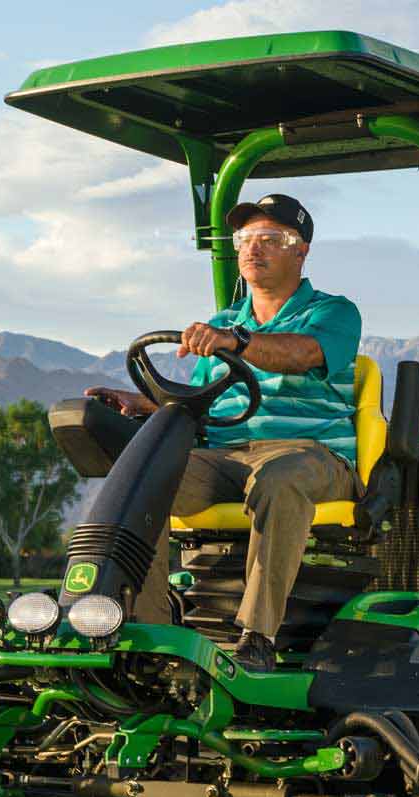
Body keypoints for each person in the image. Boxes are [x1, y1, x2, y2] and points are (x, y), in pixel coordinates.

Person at [85, 193, 362, 673]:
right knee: (146, 478)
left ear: (301, 251)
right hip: (224, 453)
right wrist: (142, 405)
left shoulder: (333, 312)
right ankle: (150, 639)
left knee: (279, 477)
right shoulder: (221, 323)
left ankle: (257, 636)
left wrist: (240, 342)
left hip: (310, 454)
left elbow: (301, 354)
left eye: (271, 239)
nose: (254, 249)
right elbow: (199, 401)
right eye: (246, 239)